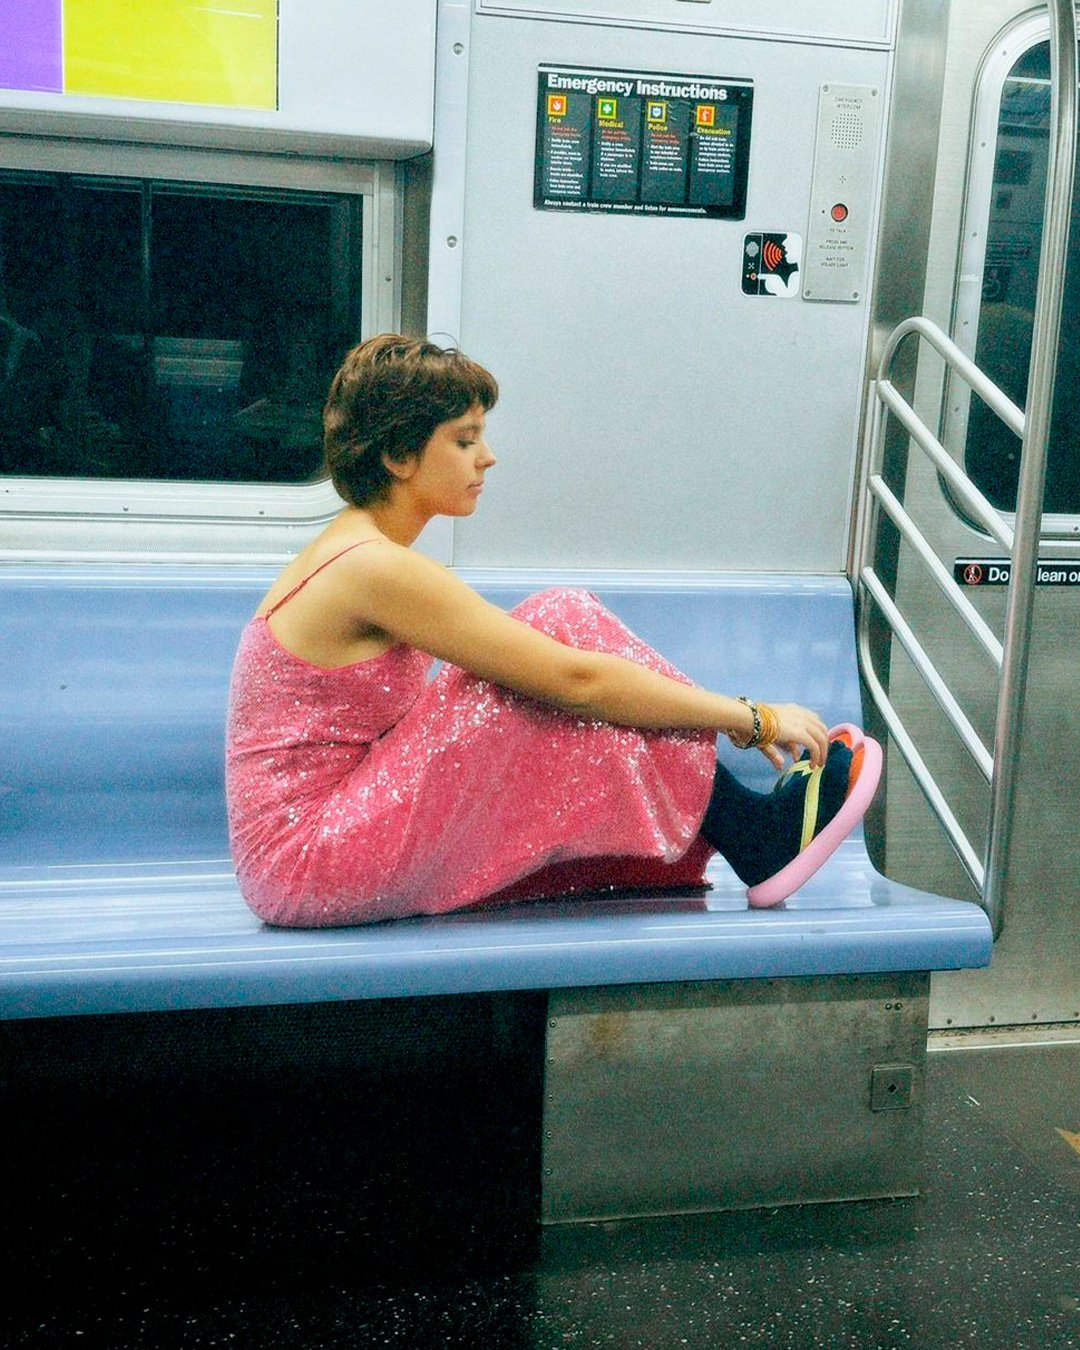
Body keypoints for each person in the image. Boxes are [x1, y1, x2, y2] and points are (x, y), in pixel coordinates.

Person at [225, 334, 880, 927]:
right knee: (561, 626)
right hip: (309, 859)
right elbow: (577, 681)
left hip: (322, 844)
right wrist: (752, 718)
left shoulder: (361, 553)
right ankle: (751, 833)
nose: (488, 458)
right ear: (399, 456)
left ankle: (742, 829)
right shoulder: (370, 567)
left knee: (556, 659)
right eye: (464, 440)